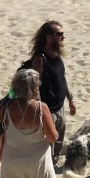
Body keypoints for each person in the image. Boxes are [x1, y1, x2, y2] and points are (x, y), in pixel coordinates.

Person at [24, 21, 76, 159]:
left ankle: (54, 163)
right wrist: (41, 109)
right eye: (59, 34)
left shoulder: (57, 55)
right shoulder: (40, 59)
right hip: (48, 110)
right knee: (48, 143)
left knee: (58, 139)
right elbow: (35, 86)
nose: (62, 37)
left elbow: (62, 78)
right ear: (48, 37)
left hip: (60, 107)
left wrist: (70, 99)